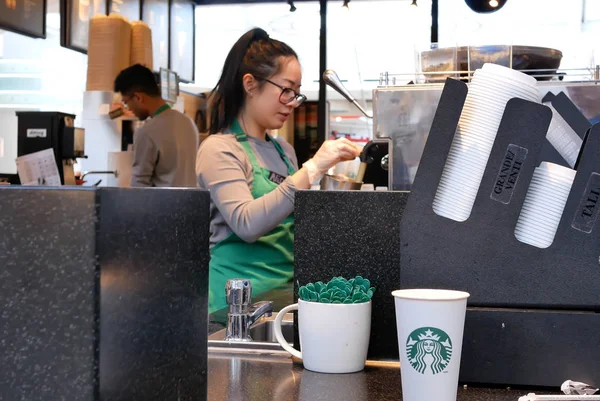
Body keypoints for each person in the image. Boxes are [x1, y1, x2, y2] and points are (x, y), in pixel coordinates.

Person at [196, 28, 361, 313]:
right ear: (250, 84)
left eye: (296, 94)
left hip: (285, 296)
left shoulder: (284, 151)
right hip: (234, 307)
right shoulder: (219, 149)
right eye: (286, 90)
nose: (292, 103)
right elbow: (247, 224)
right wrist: (312, 169)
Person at [114, 64, 199, 187]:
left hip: (161, 205)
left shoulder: (146, 132)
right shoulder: (188, 123)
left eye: (126, 103)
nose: (129, 108)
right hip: (191, 203)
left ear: (138, 97)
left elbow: (139, 185)